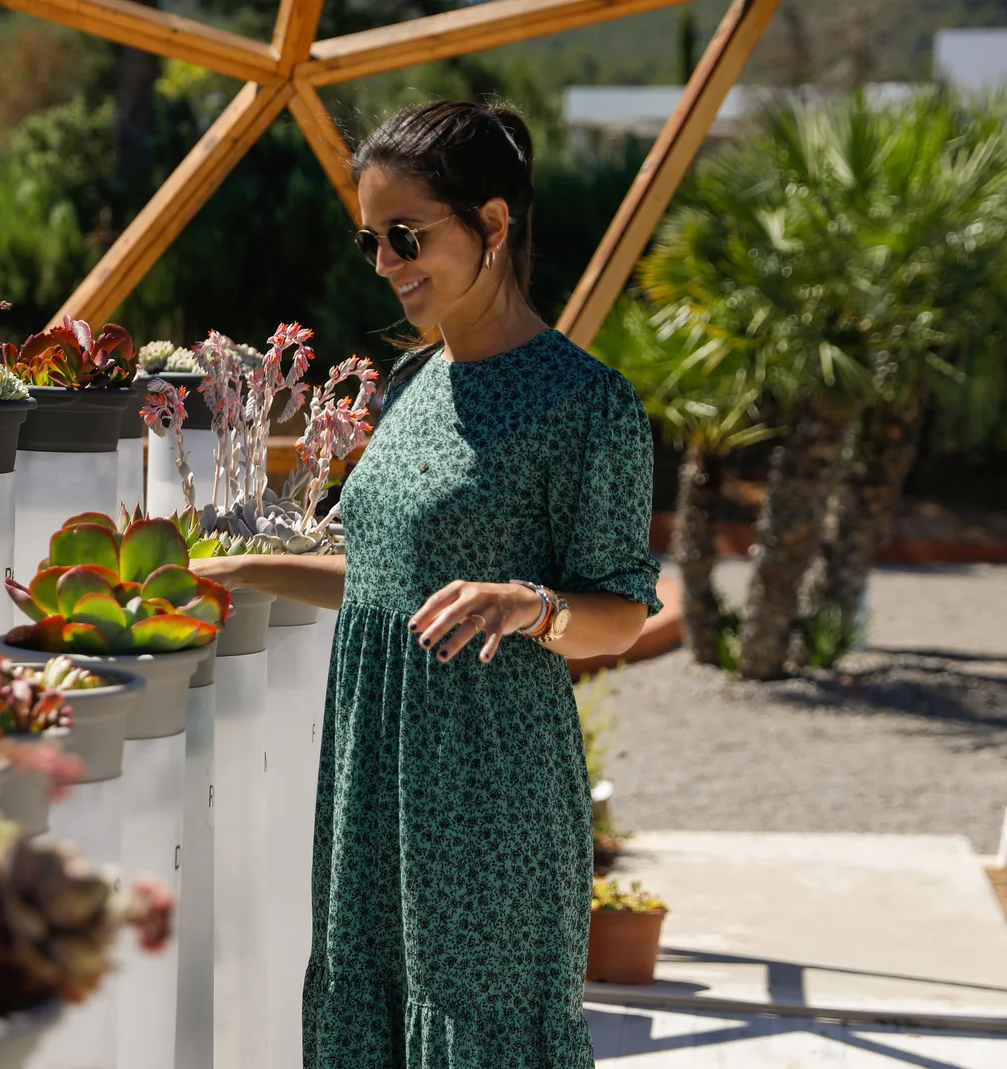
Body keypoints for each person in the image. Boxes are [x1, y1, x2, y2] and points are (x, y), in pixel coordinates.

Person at [191, 100, 661, 1067]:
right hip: (374, 774)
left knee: (471, 1033)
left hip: (487, 787)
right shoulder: (415, 383)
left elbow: (619, 617)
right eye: (371, 239)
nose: (385, 263)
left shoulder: (586, 406)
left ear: (492, 223)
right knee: (371, 1014)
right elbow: (384, 576)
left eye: (406, 236)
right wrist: (229, 566)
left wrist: (530, 606)